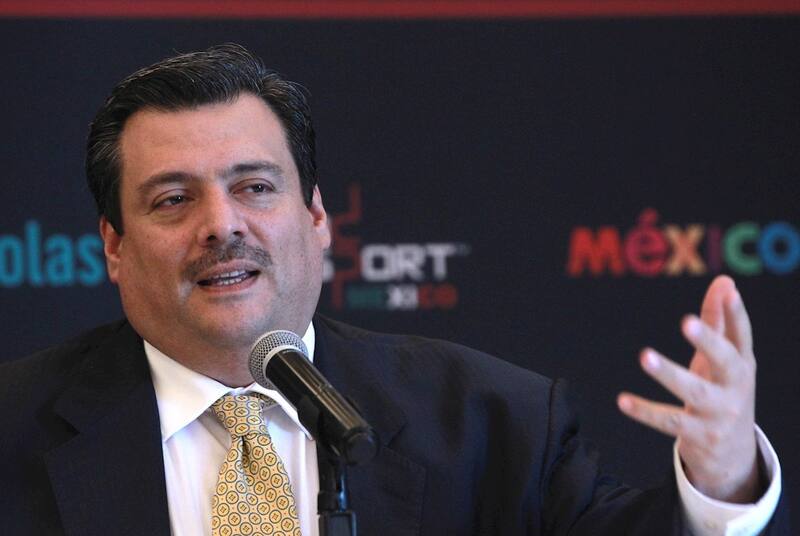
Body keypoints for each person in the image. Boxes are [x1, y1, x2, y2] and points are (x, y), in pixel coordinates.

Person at [0, 44, 785, 535]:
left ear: (316, 218)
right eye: (174, 200)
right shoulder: (12, 431)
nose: (221, 225)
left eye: (255, 187)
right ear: (114, 245)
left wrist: (721, 486)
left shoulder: (490, 422)